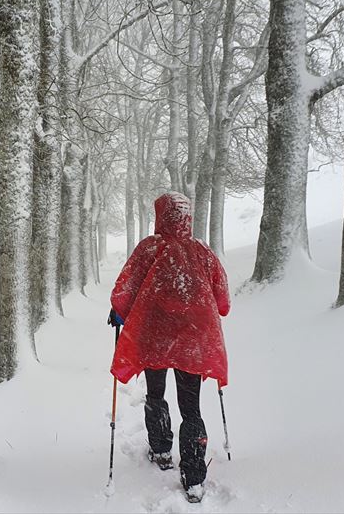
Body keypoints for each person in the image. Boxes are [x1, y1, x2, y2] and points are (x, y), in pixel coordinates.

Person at [107, 192, 230, 503]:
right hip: (192, 341)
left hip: (155, 337)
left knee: (155, 393)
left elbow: (127, 288)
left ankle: (161, 450)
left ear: (160, 216)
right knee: (191, 408)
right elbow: (222, 298)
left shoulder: (150, 248)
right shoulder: (202, 250)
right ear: (186, 217)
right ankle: (194, 478)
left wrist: (118, 311)